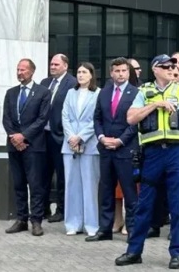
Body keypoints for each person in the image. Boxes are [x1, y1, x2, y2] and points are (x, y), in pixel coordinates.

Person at [115, 54, 179, 270]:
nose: (170, 69)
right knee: (144, 205)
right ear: (155, 69)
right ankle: (134, 251)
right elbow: (131, 118)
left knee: (177, 205)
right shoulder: (144, 92)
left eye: (172, 66)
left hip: (176, 153)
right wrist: (156, 104)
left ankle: (177, 253)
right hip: (152, 153)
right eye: (165, 66)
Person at [91, 58, 140, 241]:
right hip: (105, 149)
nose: (120, 74)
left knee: (129, 192)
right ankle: (105, 229)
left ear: (128, 73)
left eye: (123, 71)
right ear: (111, 73)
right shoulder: (103, 93)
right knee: (105, 190)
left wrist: (120, 140)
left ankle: (133, 230)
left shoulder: (136, 93)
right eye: (117, 71)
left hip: (125, 150)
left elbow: (135, 123)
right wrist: (102, 137)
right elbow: (97, 118)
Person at [2, 59, 53, 237]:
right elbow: (6, 118)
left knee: (36, 185)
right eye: (17, 69)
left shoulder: (43, 93)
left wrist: (23, 136)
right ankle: (21, 219)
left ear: (32, 72)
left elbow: (42, 119)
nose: (19, 72)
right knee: (18, 183)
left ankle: (36, 220)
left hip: (34, 146)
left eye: (23, 70)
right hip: (14, 145)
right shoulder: (11, 93)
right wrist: (15, 137)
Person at [62, 62, 101, 237]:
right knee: (71, 185)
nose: (80, 75)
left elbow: (96, 119)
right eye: (78, 72)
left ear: (91, 75)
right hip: (70, 145)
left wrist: (81, 136)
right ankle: (72, 223)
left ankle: (91, 225)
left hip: (89, 144)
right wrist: (71, 137)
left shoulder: (98, 94)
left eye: (84, 72)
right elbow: (65, 116)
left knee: (90, 185)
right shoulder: (71, 93)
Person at [40, 53, 78, 222]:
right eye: (51, 64)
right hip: (43, 135)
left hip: (61, 136)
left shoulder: (72, 83)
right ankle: (44, 207)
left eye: (56, 64)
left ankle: (62, 210)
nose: (52, 67)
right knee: (43, 174)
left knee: (62, 176)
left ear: (65, 66)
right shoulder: (45, 83)